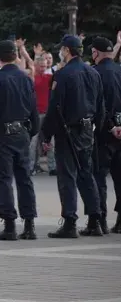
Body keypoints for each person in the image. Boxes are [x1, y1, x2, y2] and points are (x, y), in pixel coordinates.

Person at [42, 35, 104, 238]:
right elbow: (100, 106)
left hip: (68, 130)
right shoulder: (92, 73)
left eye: (62, 49)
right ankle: (95, 220)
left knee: (67, 176)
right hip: (87, 129)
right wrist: (96, 128)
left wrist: (45, 134)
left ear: (67, 51)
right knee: (86, 173)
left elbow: (54, 107)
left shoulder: (63, 74)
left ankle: (70, 221)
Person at [0, 40, 39, 241]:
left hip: (2, 135)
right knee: (25, 178)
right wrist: (32, 131)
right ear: (15, 55)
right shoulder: (26, 79)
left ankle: (10, 225)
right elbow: (33, 108)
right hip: (22, 132)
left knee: (4, 179)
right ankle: (29, 225)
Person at [90, 36, 121, 233]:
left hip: (103, 132)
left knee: (99, 176)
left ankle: (100, 219)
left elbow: (96, 105)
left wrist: (110, 125)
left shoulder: (94, 73)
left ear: (95, 53)